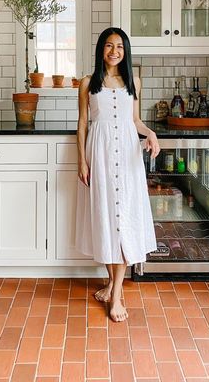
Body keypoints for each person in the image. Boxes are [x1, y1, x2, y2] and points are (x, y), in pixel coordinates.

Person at [75, 27, 160, 322]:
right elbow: (83, 124)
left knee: (124, 218)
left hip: (126, 155)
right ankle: (112, 283)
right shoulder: (88, 83)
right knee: (107, 218)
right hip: (98, 153)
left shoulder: (134, 81)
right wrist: (82, 162)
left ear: (125, 51)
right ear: (101, 49)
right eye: (109, 46)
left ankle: (117, 295)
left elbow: (134, 120)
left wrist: (151, 134)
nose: (114, 51)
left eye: (120, 46)